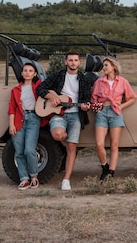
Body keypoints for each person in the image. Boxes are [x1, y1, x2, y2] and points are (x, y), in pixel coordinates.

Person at [36, 51, 92, 190]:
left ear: (79, 63)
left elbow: (87, 100)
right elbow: (40, 88)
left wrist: (86, 106)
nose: (73, 63)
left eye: (76, 60)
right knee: (57, 135)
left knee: (72, 147)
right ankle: (67, 138)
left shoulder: (84, 80)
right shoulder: (58, 75)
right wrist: (51, 97)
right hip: (59, 114)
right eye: (70, 60)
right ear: (66, 62)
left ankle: (66, 180)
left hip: (75, 115)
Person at [90, 57, 137, 181]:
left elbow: (132, 98)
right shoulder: (99, 82)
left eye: (106, 65)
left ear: (113, 67)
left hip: (116, 113)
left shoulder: (122, 82)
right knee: (99, 144)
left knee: (114, 145)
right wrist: (97, 107)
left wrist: (120, 106)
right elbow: (93, 99)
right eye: (103, 65)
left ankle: (111, 172)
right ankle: (104, 166)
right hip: (102, 113)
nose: (103, 68)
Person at [8, 62, 45, 190]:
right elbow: (12, 108)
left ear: (35, 73)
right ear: (22, 73)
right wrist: (11, 124)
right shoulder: (16, 90)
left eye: (30, 70)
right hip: (19, 119)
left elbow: (46, 93)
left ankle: (34, 176)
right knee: (19, 151)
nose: (27, 72)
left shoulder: (38, 86)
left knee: (29, 150)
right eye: (25, 70)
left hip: (33, 118)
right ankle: (24, 179)